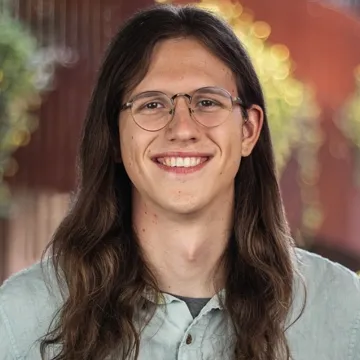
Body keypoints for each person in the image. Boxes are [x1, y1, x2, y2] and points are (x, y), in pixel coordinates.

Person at [0, 4, 359, 360]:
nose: (183, 129)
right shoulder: (19, 320)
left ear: (248, 129)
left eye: (207, 101)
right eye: (152, 105)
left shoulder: (345, 314)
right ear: (113, 137)